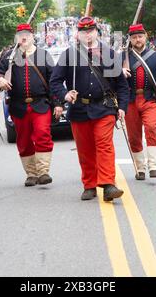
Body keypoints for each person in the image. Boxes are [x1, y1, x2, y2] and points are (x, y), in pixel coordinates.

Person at [50, 16, 129, 202]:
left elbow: (122, 85)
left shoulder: (108, 53)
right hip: (79, 109)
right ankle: (89, 184)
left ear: (96, 32)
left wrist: (123, 107)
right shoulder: (69, 54)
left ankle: (108, 184)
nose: (87, 34)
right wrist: (65, 95)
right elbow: (54, 81)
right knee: (85, 150)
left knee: (104, 145)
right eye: (84, 31)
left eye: (91, 30)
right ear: (77, 34)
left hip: (104, 107)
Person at [0, 23, 63, 187]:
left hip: (40, 104)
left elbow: (53, 81)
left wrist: (57, 103)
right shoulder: (9, 56)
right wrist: (0, 79)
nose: (23, 37)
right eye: (20, 34)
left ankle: (43, 172)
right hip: (18, 106)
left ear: (33, 36)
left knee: (42, 134)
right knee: (24, 141)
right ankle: (31, 174)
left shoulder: (43, 55)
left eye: (26, 34)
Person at [123, 24, 156, 180]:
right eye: (134, 37)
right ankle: (140, 168)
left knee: (152, 127)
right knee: (134, 136)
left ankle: (153, 165)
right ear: (130, 39)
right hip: (130, 101)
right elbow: (111, 79)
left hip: (150, 99)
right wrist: (120, 72)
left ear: (145, 37)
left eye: (140, 36)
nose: (137, 40)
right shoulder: (122, 57)